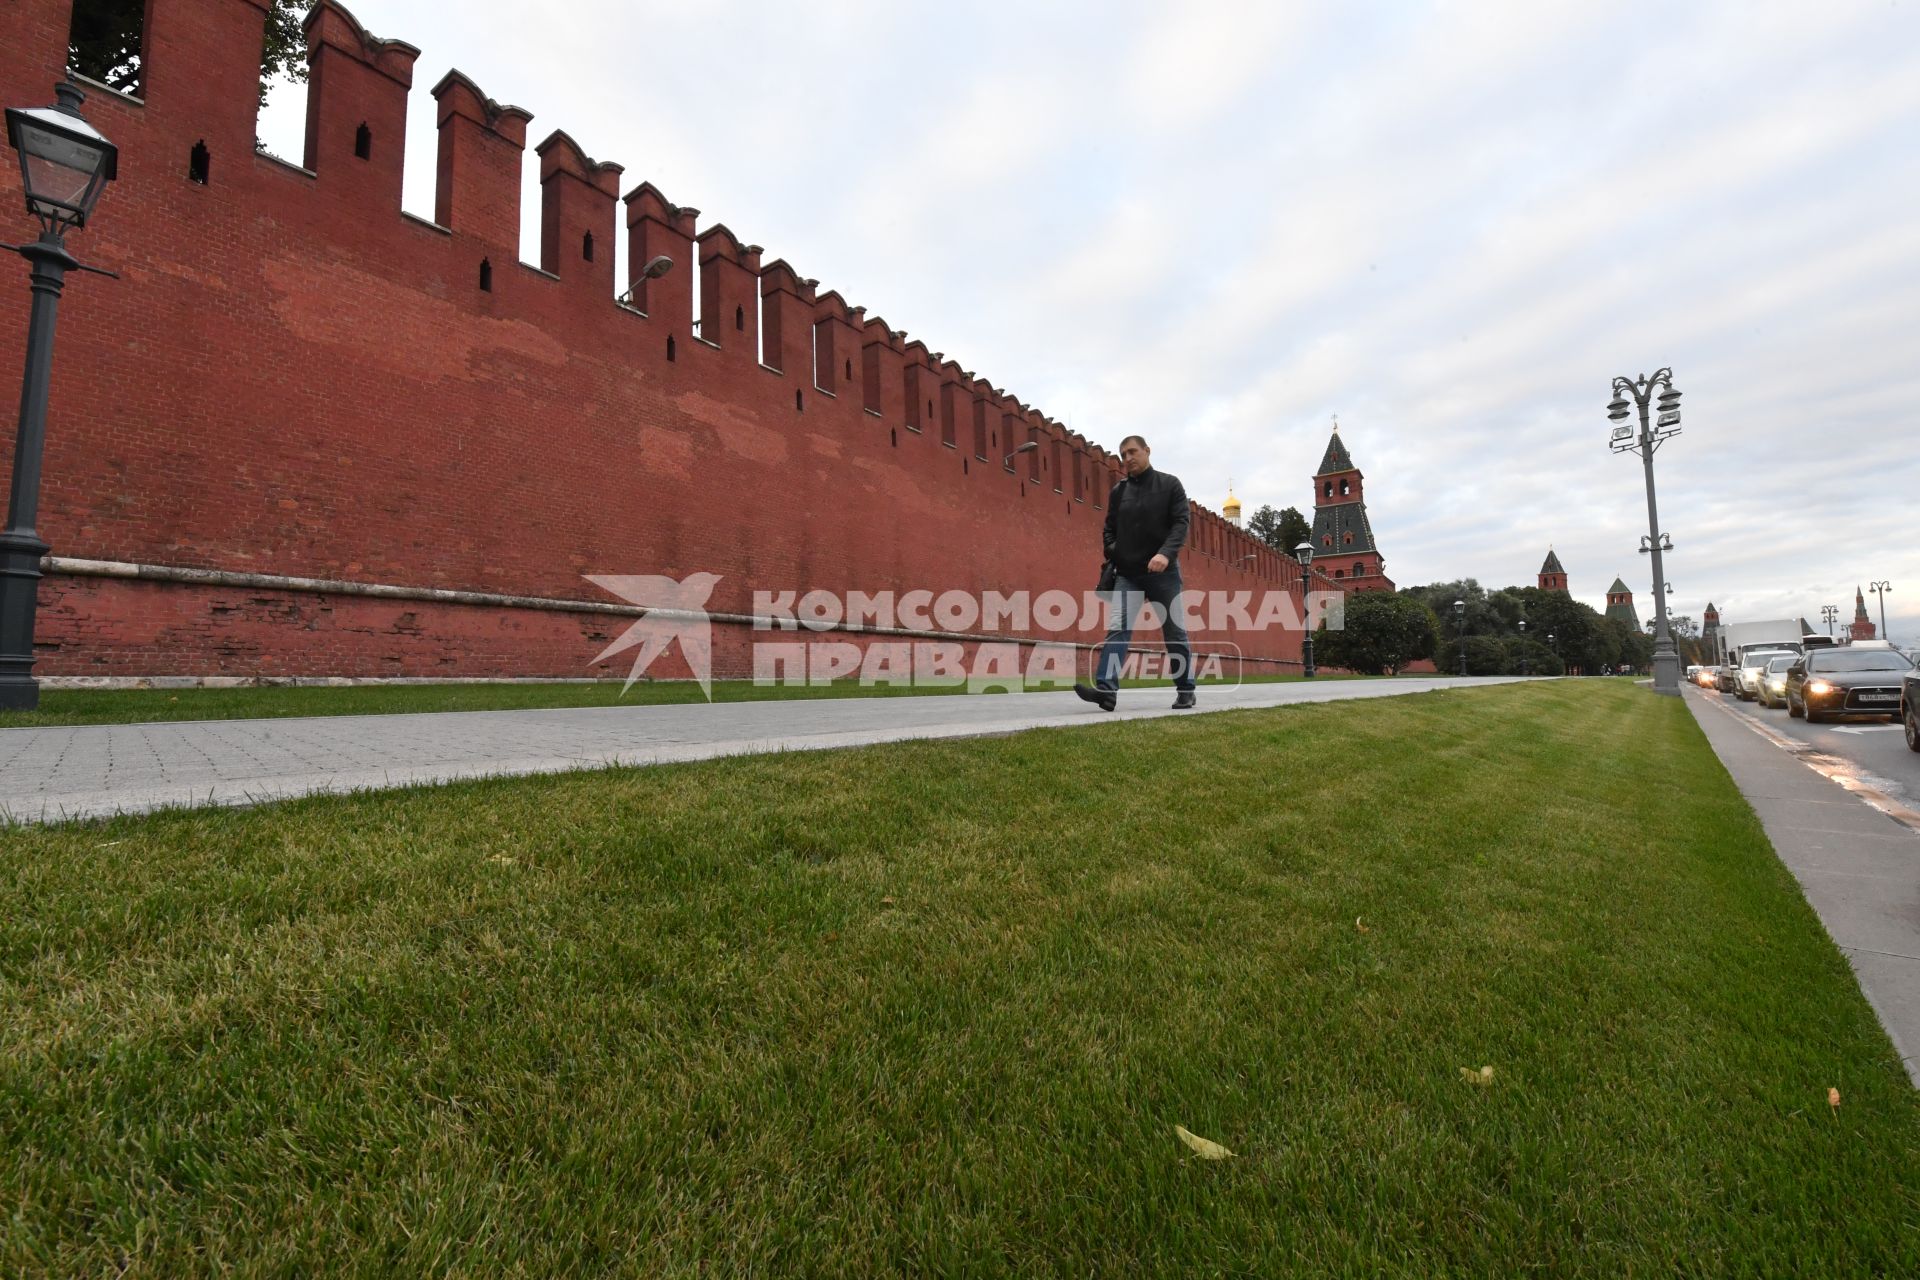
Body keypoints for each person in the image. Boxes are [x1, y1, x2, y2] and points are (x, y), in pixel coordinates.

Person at [1075, 435, 1196, 711]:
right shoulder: (1119, 492)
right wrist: (1116, 552)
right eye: (1123, 454)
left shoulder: (1170, 484)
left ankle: (1186, 689)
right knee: (1117, 630)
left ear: (1147, 451)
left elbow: (1181, 522)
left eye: (1132, 452)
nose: (1127, 458)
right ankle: (1106, 692)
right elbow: (1109, 529)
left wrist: (1165, 554)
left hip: (1163, 574)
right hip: (1128, 574)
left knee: (1174, 632)